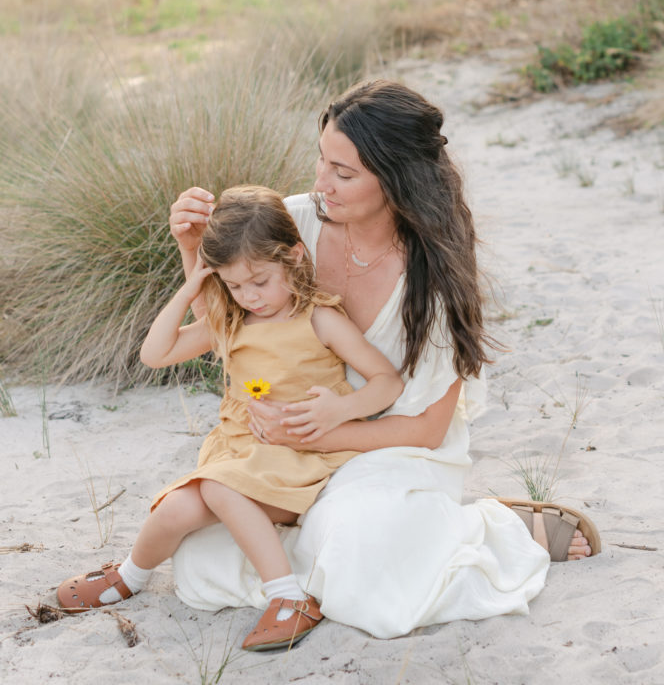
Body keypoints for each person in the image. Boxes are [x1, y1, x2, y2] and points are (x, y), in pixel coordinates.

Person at [169, 80, 601, 639]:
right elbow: (230, 324)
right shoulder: (291, 224)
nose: (321, 184)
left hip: (390, 448)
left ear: (397, 180)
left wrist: (323, 430)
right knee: (199, 564)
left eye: (343, 173)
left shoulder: (435, 276)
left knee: (358, 564)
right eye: (321, 161)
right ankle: (396, 534)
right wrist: (191, 246)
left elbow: (427, 428)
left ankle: (492, 527)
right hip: (285, 449)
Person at [56, 185, 404, 651]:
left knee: (219, 487)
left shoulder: (318, 320)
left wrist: (340, 408)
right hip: (239, 451)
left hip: (295, 455)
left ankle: (288, 597)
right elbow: (155, 353)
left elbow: (386, 381)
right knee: (174, 507)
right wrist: (191, 287)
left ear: (295, 257)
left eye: (259, 281)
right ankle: (129, 576)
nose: (250, 296)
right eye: (234, 285)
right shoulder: (232, 321)